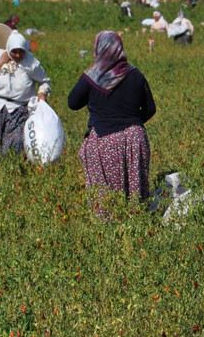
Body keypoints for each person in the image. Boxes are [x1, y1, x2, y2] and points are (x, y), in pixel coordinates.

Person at [67, 31, 156, 207]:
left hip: (103, 141)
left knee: (107, 200)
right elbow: (150, 109)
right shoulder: (136, 74)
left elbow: (73, 103)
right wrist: (131, 123)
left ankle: (110, 232)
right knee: (135, 197)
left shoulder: (92, 76)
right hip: (135, 139)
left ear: (98, 49)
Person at [0, 30, 51, 155]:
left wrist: (42, 93)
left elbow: (44, 81)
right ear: (8, 49)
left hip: (18, 110)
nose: (18, 55)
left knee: (14, 144)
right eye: (14, 52)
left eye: (21, 52)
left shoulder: (32, 64)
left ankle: (11, 170)